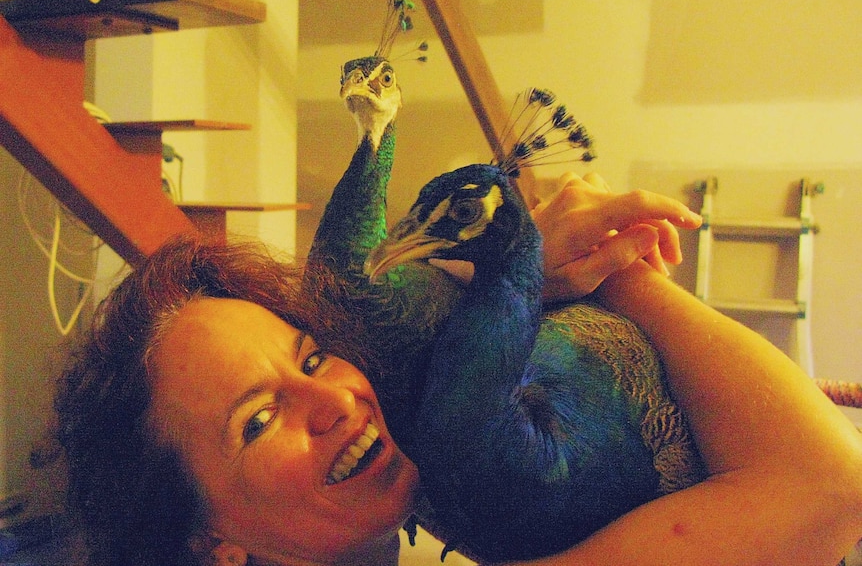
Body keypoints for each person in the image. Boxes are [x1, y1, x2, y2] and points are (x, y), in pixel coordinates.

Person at [54, 173, 862, 566]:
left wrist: (520, 273)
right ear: (210, 539)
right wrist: (625, 274)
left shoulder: (374, 502)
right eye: (257, 420)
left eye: (311, 355)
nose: (335, 395)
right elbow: (830, 485)